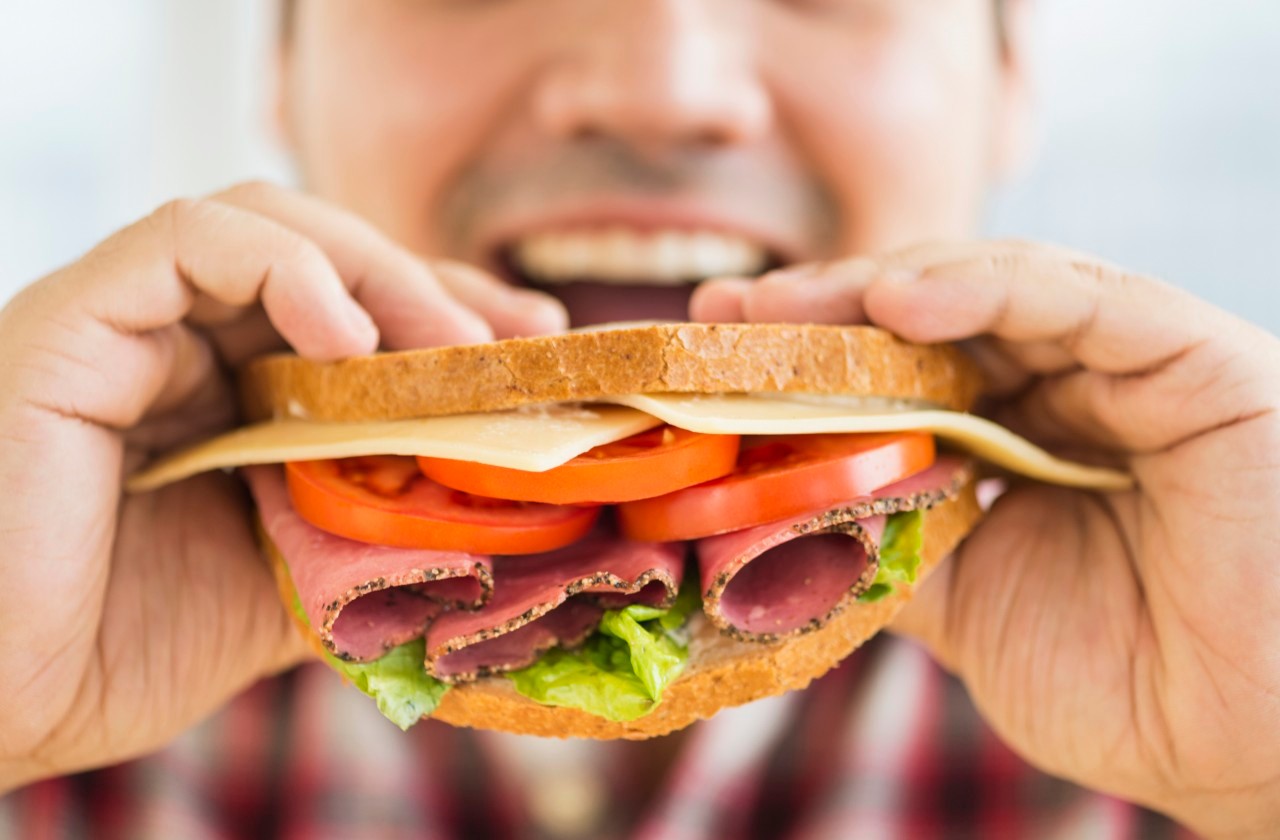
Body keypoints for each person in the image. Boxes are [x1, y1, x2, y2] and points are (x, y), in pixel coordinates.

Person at [1, 1, 1277, 837]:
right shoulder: (51, 602)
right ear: (279, 72)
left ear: (1009, 82)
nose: (661, 88)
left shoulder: (1214, 647)